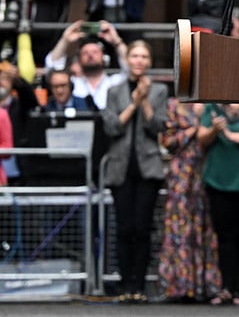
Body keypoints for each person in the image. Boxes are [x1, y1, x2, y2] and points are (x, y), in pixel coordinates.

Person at [100, 40, 168, 303]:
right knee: (124, 226)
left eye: (144, 56)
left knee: (142, 227)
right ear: (127, 59)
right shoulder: (114, 90)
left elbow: (158, 126)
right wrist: (134, 102)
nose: (139, 60)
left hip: (148, 168)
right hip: (120, 168)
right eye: (135, 55)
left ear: (149, 62)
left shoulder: (160, 90)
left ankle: (139, 286)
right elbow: (112, 127)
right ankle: (124, 284)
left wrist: (146, 102)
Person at [158, 98, 222, 302]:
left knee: (205, 226)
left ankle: (204, 285)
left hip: (206, 170)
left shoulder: (212, 103)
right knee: (180, 227)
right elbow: (167, 142)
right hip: (181, 174)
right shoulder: (173, 105)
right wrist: (193, 129)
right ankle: (180, 286)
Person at [198, 102, 239, 306]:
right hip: (218, 182)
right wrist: (215, 130)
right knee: (225, 238)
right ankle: (227, 286)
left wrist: (227, 134)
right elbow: (201, 139)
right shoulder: (212, 108)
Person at [44, 20, 128, 109]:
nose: (90, 55)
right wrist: (65, 40)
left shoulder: (115, 82)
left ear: (105, 58)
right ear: (79, 59)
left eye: (95, 52)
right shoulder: (73, 83)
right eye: (85, 53)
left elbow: (131, 68)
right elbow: (53, 69)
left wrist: (117, 42)